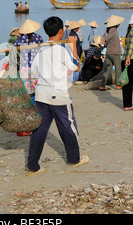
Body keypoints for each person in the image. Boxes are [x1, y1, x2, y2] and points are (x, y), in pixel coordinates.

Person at [27, 16, 89, 175]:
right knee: (68, 127)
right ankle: (74, 159)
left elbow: (33, 72)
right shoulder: (62, 49)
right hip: (58, 95)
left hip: (42, 94)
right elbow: (76, 67)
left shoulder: (41, 48)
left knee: (39, 129)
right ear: (61, 31)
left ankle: (33, 164)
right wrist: (73, 46)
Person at [14, 19, 43, 95]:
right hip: (35, 65)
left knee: (26, 88)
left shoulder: (20, 38)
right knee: (36, 86)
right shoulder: (38, 37)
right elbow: (41, 49)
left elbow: (15, 47)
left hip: (24, 66)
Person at [100, 15, 125, 90]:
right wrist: (102, 42)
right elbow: (107, 38)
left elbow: (105, 37)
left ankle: (102, 85)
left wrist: (103, 41)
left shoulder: (109, 30)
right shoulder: (113, 30)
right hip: (115, 52)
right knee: (118, 69)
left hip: (109, 52)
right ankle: (118, 85)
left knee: (107, 69)